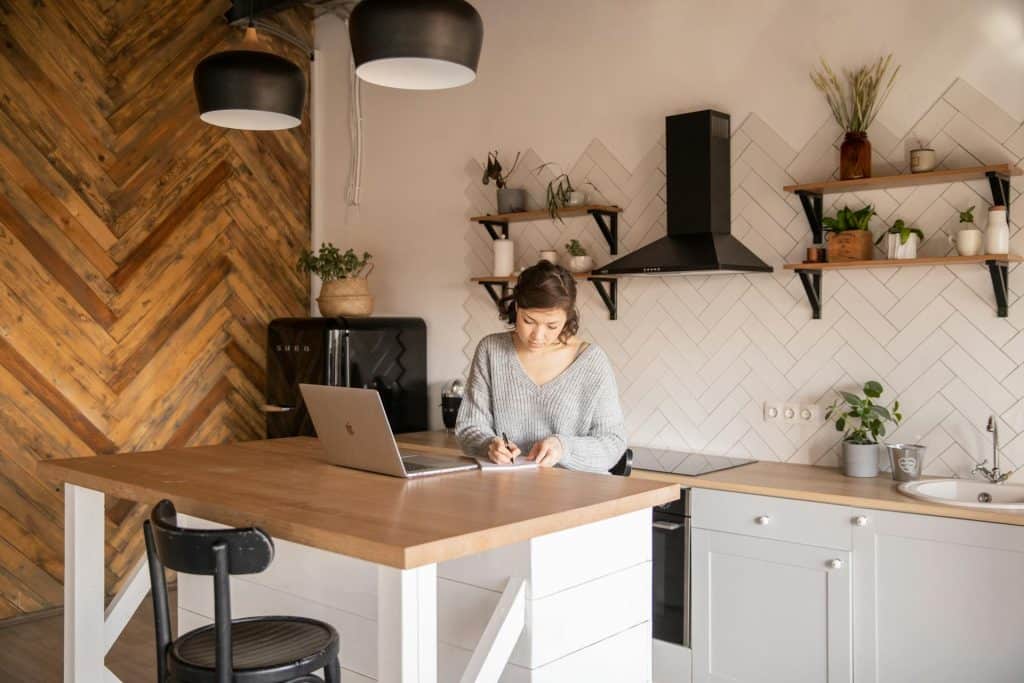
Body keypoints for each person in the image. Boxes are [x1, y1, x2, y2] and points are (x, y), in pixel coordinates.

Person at [456, 260, 627, 472]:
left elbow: (613, 442)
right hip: (506, 488)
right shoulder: (491, 350)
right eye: (529, 321)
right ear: (517, 307)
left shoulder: (591, 361)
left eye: (551, 326)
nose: (538, 335)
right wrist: (489, 445)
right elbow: (469, 427)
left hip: (576, 493)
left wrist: (563, 447)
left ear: (567, 318)